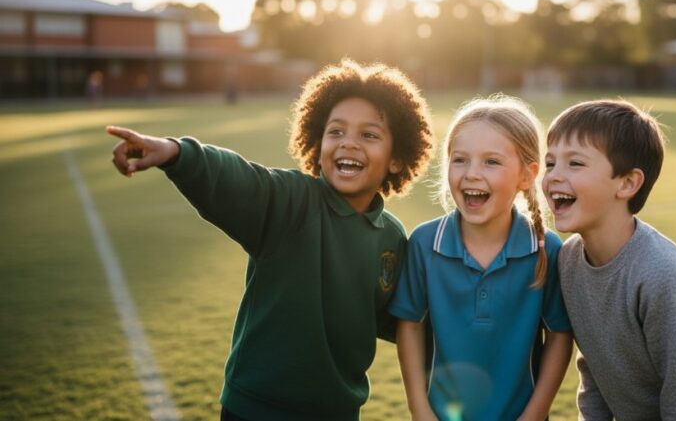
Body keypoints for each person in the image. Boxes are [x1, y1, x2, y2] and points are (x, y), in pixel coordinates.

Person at [106, 59, 435, 421]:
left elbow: (400, 321)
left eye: (369, 135)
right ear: (316, 141)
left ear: (397, 158)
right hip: (255, 409)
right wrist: (177, 153)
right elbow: (238, 178)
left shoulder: (391, 238)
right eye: (336, 132)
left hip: (337, 412)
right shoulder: (290, 201)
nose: (349, 144)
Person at [542, 99, 676, 420]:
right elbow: (595, 366)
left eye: (575, 163)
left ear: (628, 183)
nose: (553, 177)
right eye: (550, 163)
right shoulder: (569, 261)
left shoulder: (662, 276)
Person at [390, 96, 573, 421]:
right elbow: (410, 326)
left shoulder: (547, 249)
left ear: (527, 174)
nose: (472, 173)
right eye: (460, 160)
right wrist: (420, 410)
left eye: (491, 161)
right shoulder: (424, 243)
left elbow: (559, 335)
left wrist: (534, 414)